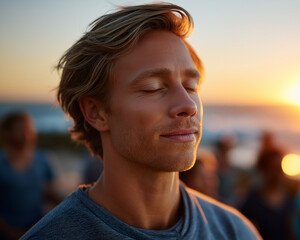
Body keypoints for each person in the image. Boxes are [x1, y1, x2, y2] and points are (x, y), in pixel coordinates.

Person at [21, 3, 260, 239]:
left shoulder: (236, 232)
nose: (188, 105)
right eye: (153, 88)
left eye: (191, 86)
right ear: (96, 112)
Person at [0, 112, 58, 240]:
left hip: (37, 229)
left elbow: (50, 195)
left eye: (28, 129)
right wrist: (12, 233)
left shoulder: (43, 160)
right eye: (20, 129)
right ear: (6, 132)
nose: (25, 134)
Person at [240, 147, 295, 240]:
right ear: (263, 170)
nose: (279, 173)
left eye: (281, 168)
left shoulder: (291, 200)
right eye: (274, 168)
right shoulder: (252, 202)